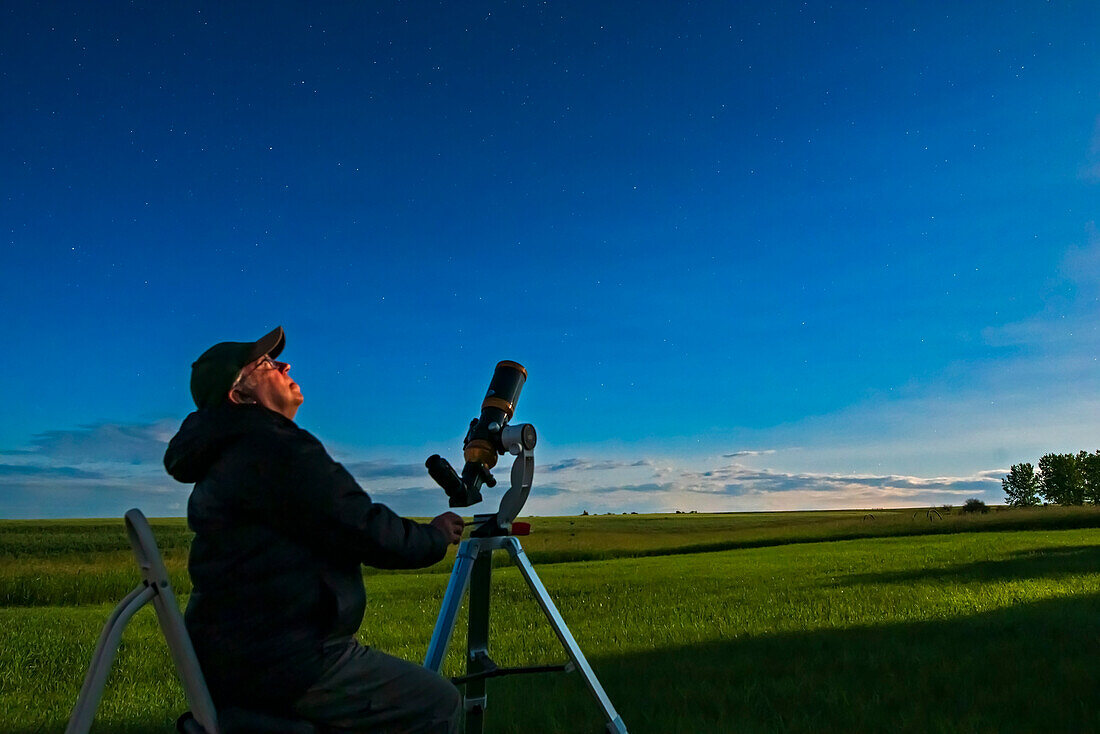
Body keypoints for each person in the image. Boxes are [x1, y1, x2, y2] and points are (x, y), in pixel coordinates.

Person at [164, 326, 464, 733]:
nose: (285, 364)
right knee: (437, 701)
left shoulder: (227, 455)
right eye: (267, 364)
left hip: (238, 656)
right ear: (240, 396)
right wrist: (434, 536)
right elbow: (362, 526)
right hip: (288, 659)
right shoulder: (274, 447)